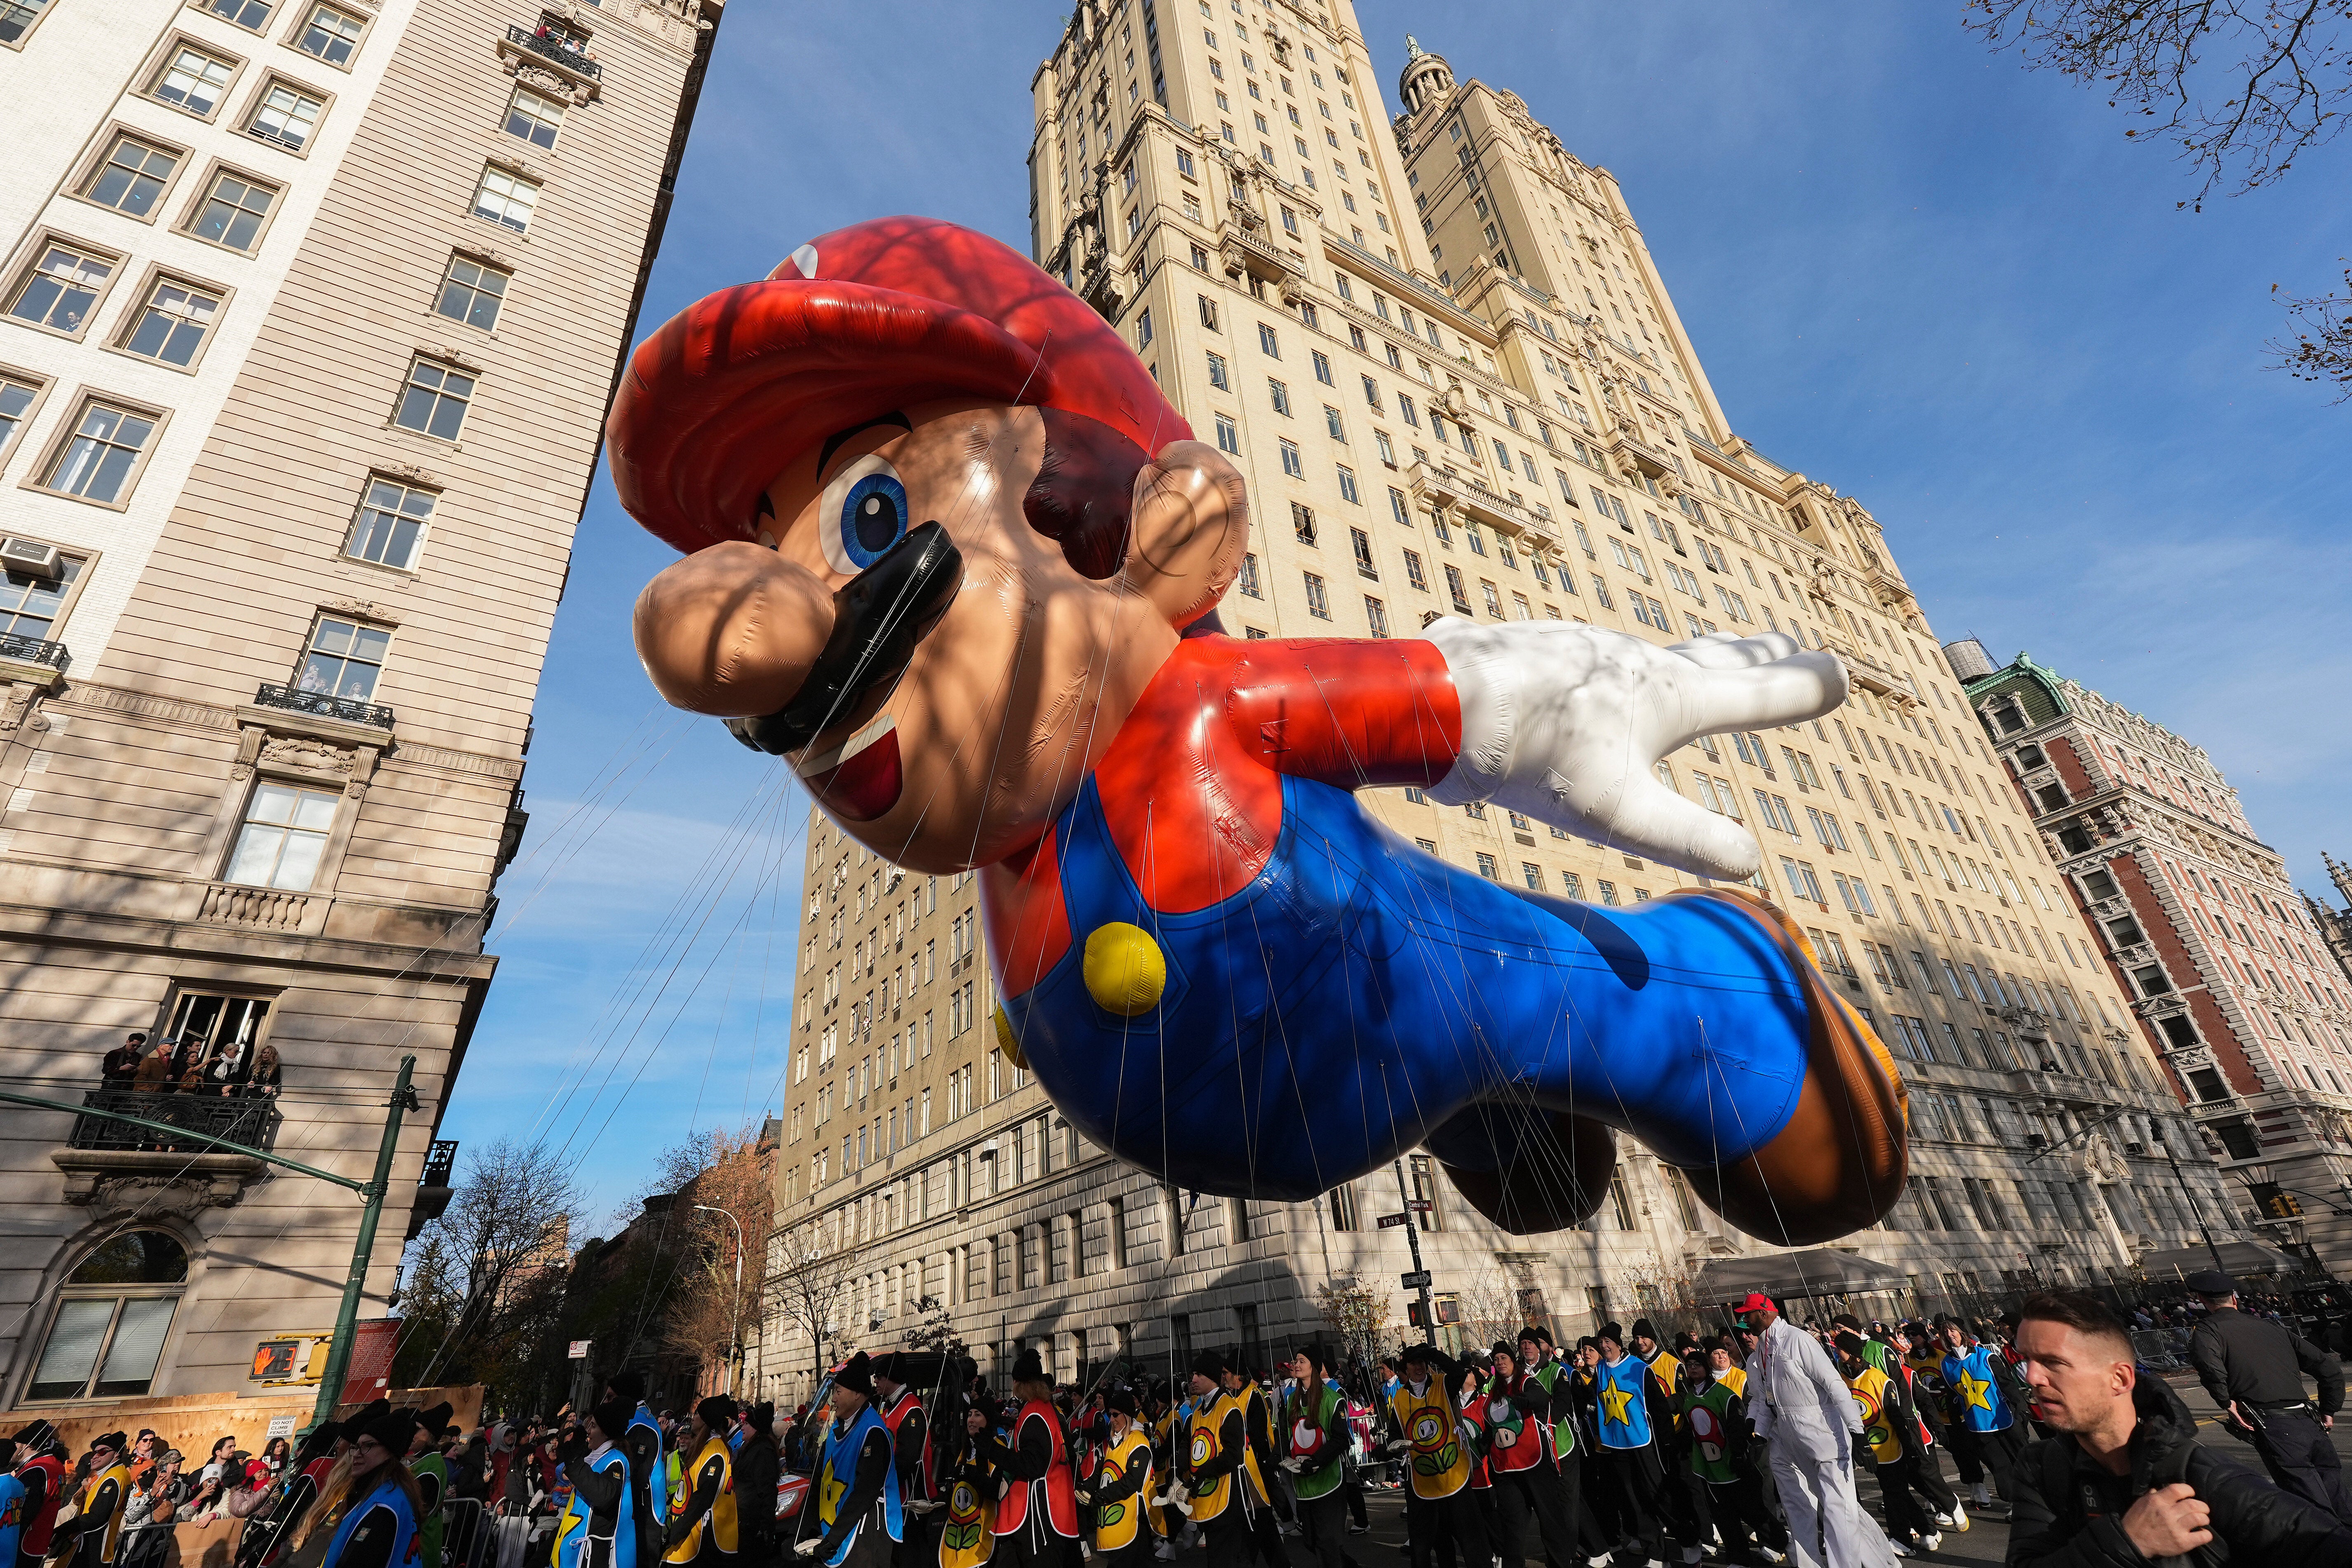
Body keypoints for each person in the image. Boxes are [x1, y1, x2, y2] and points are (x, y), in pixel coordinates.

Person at [2006, 1289, 2352, 1563]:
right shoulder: (2041, 1467)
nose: (2033, 1377)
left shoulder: (2206, 1479)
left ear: (2119, 1378)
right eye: (2027, 1360)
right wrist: (2129, 1542)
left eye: (2053, 1362)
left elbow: (2325, 1545)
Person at [2183, 1268, 2352, 1526]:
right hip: (2308, 1418)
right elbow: (2327, 1368)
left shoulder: (2209, 1331)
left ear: (2202, 1301)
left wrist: (2227, 1403)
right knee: (2338, 1497)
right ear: (2234, 1299)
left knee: (2311, 1509)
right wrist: (2329, 1409)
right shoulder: (2271, 1327)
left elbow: (2210, 1366)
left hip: (2272, 1424)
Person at [1737, 1295, 1886, 1568]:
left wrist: (1858, 1432)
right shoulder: (1758, 1355)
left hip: (1823, 1431)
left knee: (1838, 1508)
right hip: (1786, 1435)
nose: (1745, 1320)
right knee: (1798, 1505)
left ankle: (1857, 1563)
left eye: (1749, 1315)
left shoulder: (1799, 1340)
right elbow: (1762, 1399)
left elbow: (1835, 1385)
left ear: (1765, 1312)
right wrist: (1755, 1431)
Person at [1831, 1332, 1941, 1558]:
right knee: (1895, 1491)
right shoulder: (1841, 1377)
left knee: (1893, 1493)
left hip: (1889, 1447)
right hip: (1867, 1449)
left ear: (1851, 1354)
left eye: (1838, 1349)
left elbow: (1897, 1418)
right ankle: (1927, 1529)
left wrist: (1909, 1449)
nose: (1835, 1353)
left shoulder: (1880, 1380)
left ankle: (1902, 1540)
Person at [1678, 1346, 1785, 1567]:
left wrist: (1738, 1455)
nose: (1693, 1369)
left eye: (1698, 1365)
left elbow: (1736, 1428)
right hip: (1710, 1469)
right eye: (1689, 1366)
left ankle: (1785, 1543)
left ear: (1707, 1368)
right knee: (1724, 1518)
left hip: (1732, 1466)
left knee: (1753, 1514)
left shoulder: (1723, 1395)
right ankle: (1739, 1559)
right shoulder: (1689, 1397)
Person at [1590, 1323, 1672, 1566]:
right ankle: (1656, 1554)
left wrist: (1667, 1440)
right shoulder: (1601, 1370)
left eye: (1608, 1342)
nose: (1604, 1346)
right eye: (1601, 1341)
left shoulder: (1639, 1368)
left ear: (1618, 1344)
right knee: (1634, 1499)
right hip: (1617, 1444)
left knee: (1657, 1493)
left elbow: (1658, 1407)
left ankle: (1689, 1537)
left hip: (1642, 1441)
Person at [306, 1410, 423, 1568]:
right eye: (356, 1447)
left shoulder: (384, 1505)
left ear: (390, 1451)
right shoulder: (389, 1494)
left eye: (368, 1446)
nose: (357, 1455)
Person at [1938, 1319, 2030, 1511]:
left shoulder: (1986, 1357)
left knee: (2021, 1459)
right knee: (2000, 1466)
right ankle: (2016, 1503)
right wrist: (1956, 1426)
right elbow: (1952, 1397)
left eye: (1953, 1331)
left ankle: (2039, 1497)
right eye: (1945, 1333)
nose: (1950, 1335)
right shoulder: (1946, 1364)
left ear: (1963, 1333)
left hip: (2005, 1419)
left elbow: (2007, 1385)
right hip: (1978, 1426)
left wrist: (2021, 1410)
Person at [1279, 1346, 1356, 1568]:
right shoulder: (1292, 1400)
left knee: (1327, 1543)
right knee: (1312, 1542)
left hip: (1328, 1482)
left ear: (1313, 1367)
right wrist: (1281, 1459)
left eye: (1301, 1361)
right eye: (1296, 1361)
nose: (1296, 1365)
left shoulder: (1332, 1398)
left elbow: (1341, 1439)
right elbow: (1286, 1435)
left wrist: (1316, 1462)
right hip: (1303, 1486)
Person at [556, 1401, 636, 1568]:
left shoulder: (617, 1461)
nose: (588, 1432)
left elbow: (604, 1496)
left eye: (593, 1426)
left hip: (592, 1553)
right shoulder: (594, 1457)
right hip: (573, 1547)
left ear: (606, 1433)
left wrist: (575, 1463)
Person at [1078, 1391, 1152, 1568]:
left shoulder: (1138, 1442)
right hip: (1118, 1520)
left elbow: (1132, 1482)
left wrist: (1099, 1496)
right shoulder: (1113, 1441)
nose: (1111, 1419)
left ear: (1127, 1415)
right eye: (1110, 1414)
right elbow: (1101, 1472)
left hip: (1135, 1521)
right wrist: (1085, 1488)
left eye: (1116, 1414)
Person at [664, 1397, 739, 1568]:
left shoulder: (715, 1452)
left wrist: (677, 1531)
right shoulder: (706, 1447)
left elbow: (703, 1497)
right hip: (695, 1532)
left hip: (708, 1537)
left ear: (706, 1420)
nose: (694, 1417)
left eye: (697, 1414)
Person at [871, 1357, 930, 1568]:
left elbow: (906, 1460)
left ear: (891, 1378)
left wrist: (879, 1484)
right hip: (895, 1496)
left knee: (909, 1558)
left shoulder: (911, 1410)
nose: (875, 1382)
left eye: (879, 1377)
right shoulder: (889, 1407)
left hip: (910, 1499)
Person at [605, 1373, 669, 1568]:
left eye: (610, 1397)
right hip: (637, 1511)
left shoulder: (639, 1423)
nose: (606, 1403)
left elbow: (634, 1472)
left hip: (645, 1513)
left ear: (624, 1397)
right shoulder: (635, 1417)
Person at [54, 1432, 132, 1568]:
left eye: (102, 1452)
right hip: (95, 1547)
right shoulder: (113, 1474)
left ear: (117, 1453)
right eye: (93, 1453)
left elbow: (97, 1517)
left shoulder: (114, 1477)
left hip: (93, 1548)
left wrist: (63, 1529)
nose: (95, 1457)